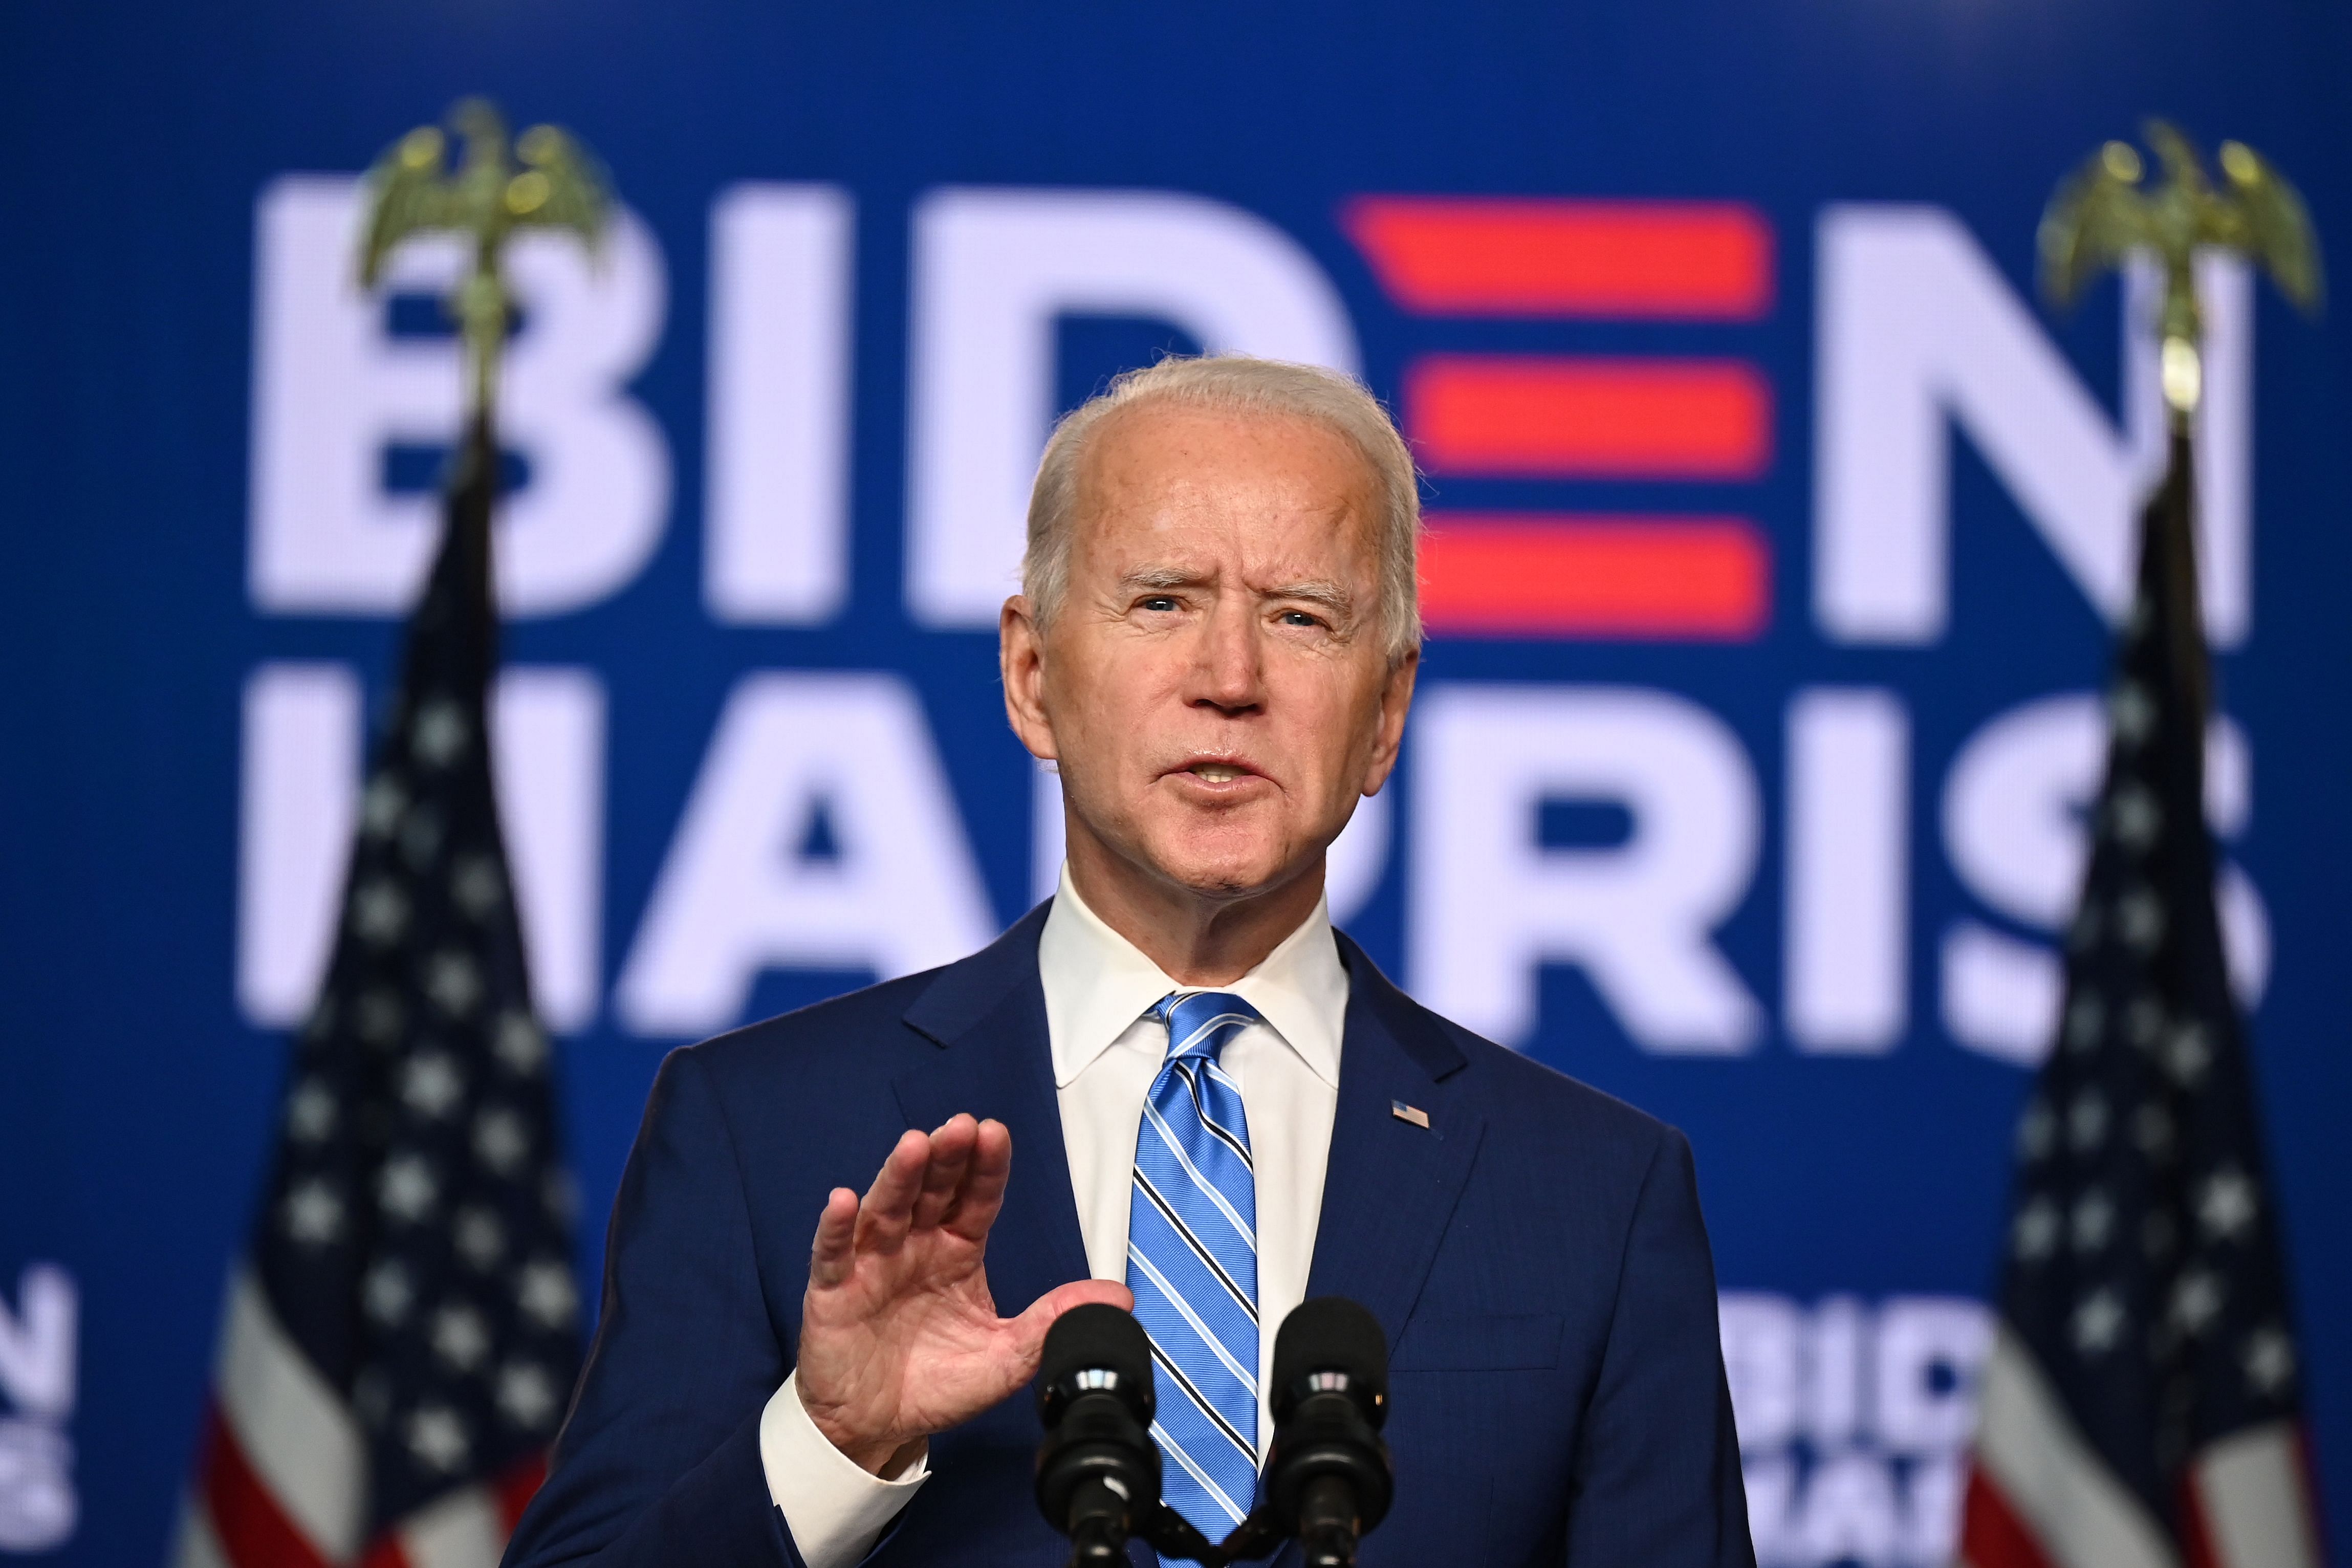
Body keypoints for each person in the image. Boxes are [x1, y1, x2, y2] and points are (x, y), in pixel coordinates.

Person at [504, 355, 1753, 1568]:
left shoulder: (1596, 1195)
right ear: (1033, 674)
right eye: (1162, 600)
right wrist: (835, 1440)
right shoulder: (761, 1131)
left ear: (1385, 715)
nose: (1231, 678)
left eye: (1302, 618)